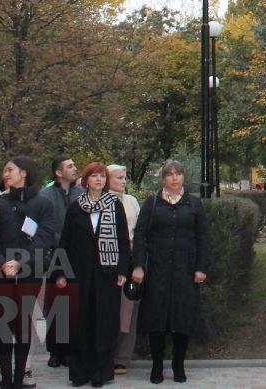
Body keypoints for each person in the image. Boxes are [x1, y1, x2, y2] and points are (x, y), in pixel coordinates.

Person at [51, 163, 130, 388]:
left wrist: (123, 270)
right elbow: (65, 241)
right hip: (79, 272)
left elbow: (123, 241)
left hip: (107, 272)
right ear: (86, 180)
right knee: (80, 321)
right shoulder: (77, 206)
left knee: (104, 322)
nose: (98, 180)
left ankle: (100, 373)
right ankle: (79, 372)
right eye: (94, 176)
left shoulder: (114, 206)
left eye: (102, 176)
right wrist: (61, 271)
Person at [131, 161, 209, 385]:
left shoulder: (193, 203)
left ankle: (178, 364)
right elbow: (141, 236)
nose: (174, 178)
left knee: (182, 318)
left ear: (183, 177)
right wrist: (138, 265)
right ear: (163, 179)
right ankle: (156, 365)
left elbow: (203, 238)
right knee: (157, 318)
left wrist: (201, 267)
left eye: (178, 174)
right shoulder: (152, 203)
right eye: (170, 174)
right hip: (157, 270)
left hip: (185, 271)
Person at [0, 157, 52, 389]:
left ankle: (21, 377)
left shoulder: (42, 203)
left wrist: (20, 262)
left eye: (9, 169)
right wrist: (2, 262)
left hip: (29, 272)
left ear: (23, 173)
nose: (5, 174)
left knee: (22, 321)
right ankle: (6, 378)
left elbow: (45, 236)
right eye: (5, 170)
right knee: (3, 321)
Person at [39, 158, 81, 371]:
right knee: (56, 303)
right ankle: (56, 350)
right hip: (54, 254)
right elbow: (38, 225)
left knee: (75, 303)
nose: (74, 169)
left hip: (77, 255)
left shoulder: (80, 193)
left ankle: (72, 349)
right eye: (70, 166)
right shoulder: (46, 195)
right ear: (58, 172)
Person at [106, 165, 141, 377]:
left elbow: (140, 229)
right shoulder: (100, 202)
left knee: (130, 307)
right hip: (107, 261)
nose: (124, 181)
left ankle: (122, 357)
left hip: (129, 260)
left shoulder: (131, 201)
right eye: (119, 177)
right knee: (109, 309)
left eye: (125, 177)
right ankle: (105, 353)